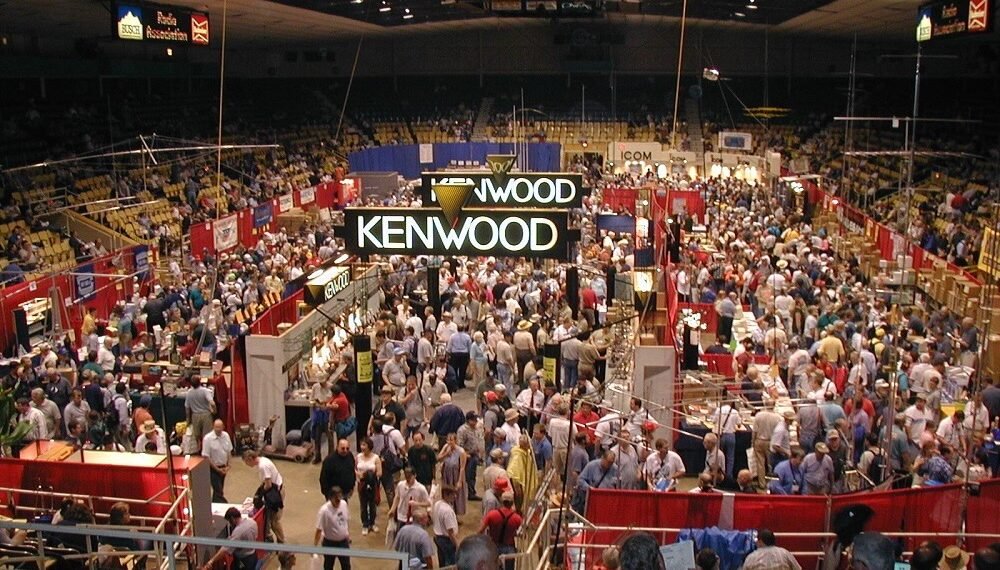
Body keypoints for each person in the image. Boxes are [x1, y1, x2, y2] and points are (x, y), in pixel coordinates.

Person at [243, 450, 285, 543]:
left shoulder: (263, 466)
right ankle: (272, 538)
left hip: (276, 492)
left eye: (246, 462)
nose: (246, 464)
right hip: (274, 489)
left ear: (250, 459)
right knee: (270, 518)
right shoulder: (263, 460)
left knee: (274, 521)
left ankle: (282, 543)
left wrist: (260, 495)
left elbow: (268, 485)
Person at [479, 490, 522, 569]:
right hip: (509, 548)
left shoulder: (492, 514)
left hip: (493, 546)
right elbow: (522, 533)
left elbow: (480, 531)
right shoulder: (517, 518)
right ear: (512, 503)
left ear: (502, 501)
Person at [313, 487, 351, 570]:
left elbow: (346, 520)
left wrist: (347, 534)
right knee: (328, 566)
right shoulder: (324, 511)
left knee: (346, 566)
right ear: (331, 498)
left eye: (339, 499)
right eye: (336, 499)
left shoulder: (343, 504)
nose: (338, 502)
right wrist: (314, 548)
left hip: (343, 542)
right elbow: (319, 529)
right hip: (330, 543)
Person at [355, 437, 382, 536]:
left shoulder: (375, 457)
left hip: (372, 483)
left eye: (364, 445)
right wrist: (359, 475)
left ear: (369, 446)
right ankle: (365, 524)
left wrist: (369, 474)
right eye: (361, 445)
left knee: (372, 504)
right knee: (363, 505)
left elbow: (379, 472)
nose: (362, 447)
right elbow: (355, 469)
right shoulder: (358, 457)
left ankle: (372, 523)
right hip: (361, 484)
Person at [202, 419, 234, 502]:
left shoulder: (226, 436)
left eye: (220, 427)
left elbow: (229, 451)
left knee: (219, 491)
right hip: (213, 468)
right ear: (213, 427)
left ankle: (214, 506)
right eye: (216, 427)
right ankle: (224, 504)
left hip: (224, 467)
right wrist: (217, 469)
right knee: (218, 491)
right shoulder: (207, 439)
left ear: (223, 427)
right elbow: (206, 457)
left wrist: (228, 466)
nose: (218, 429)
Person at [438, 432, 469, 516]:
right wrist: (446, 453)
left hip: (456, 474)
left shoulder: (461, 451)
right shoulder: (446, 447)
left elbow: (462, 467)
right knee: (446, 493)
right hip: (446, 474)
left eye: (451, 440)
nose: (449, 442)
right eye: (448, 440)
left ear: (455, 441)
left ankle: (455, 514)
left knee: (456, 495)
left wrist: (459, 481)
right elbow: (438, 458)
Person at [184, 376, 215, 454]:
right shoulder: (205, 391)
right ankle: (207, 451)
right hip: (206, 415)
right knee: (207, 435)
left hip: (195, 415)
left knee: (197, 436)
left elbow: (187, 408)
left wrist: (188, 419)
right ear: (200, 382)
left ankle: (199, 450)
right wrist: (214, 410)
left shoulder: (189, 393)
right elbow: (212, 403)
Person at [432, 484, 460, 567]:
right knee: (450, 563)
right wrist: (457, 545)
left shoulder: (437, 504)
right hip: (447, 540)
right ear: (446, 495)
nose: (455, 496)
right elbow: (450, 532)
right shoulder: (447, 511)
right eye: (452, 494)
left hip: (438, 537)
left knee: (442, 562)